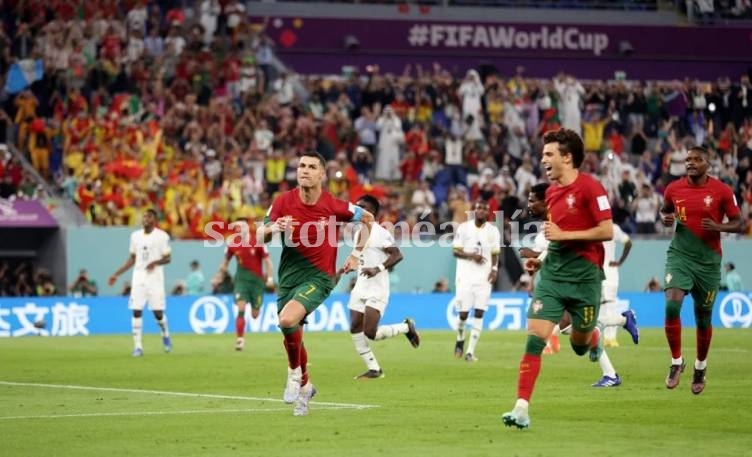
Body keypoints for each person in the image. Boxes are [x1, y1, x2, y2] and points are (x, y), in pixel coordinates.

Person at [503, 128, 613, 430]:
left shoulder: (592, 188)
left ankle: (593, 337)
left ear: (567, 157)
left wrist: (566, 235)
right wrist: (541, 259)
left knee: (579, 344)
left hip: (586, 278)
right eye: (543, 155)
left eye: (549, 154)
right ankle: (521, 407)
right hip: (552, 278)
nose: (543, 160)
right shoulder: (550, 194)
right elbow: (555, 238)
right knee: (535, 340)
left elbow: (607, 230)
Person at [260, 151, 376, 416]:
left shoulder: (333, 205)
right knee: (292, 333)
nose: (304, 170)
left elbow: (368, 219)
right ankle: (306, 386)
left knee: (287, 321)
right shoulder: (282, 202)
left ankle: (293, 374)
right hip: (289, 278)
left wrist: (356, 254)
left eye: (312, 167)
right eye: (301, 165)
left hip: (320, 277)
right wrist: (274, 227)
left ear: (322, 174)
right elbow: (260, 234)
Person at [520, 182, 638, 388]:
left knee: (569, 327)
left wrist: (535, 257)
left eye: (532, 201)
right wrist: (536, 259)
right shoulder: (549, 225)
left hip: (582, 279)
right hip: (566, 281)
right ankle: (618, 329)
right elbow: (553, 251)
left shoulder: (563, 220)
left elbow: (565, 247)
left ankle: (616, 329)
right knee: (571, 328)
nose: (528, 205)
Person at [659, 146, 741, 395]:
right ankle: (676, 362)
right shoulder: (673, 189)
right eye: (688, 160)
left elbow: (738, 222)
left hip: (708, 262)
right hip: (680, 256)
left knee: (703, 317)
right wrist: (665, 218)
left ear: (708, 163)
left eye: (697, 159)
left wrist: (717, 226)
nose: (691, 163)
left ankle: (700, 367)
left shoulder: (722, 191)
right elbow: (665, 210)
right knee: (672, 304)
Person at [340, 194, 420, 380]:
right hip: (361, 285)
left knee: (371, 332)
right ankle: (374, 369)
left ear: (372, 212)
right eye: (357, 206)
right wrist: (347, 268)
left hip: (377, 287)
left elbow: (398, 255)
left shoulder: (380, 232)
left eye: (362, 207)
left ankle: (406, 327)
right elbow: (360, 258)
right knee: (354, 327)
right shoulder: (359, 232)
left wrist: (378, 268)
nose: (357, 209)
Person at [108, 209, 173, 357]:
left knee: (158, 313)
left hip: (155, 278)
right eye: (144, 216)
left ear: (154, 219)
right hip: (138, 277)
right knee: (136, 310)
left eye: (149, 216)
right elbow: (132, 258)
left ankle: (165, 335)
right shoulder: (135, 236)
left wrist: (155, 262)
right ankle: (138, 347)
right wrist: (116, 274)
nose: (145, 219)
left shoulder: (162, 236)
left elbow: (168, 258)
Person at [452, 200, 501, 362]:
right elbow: (455, 252)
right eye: (478, 207)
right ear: (474, 210)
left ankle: (470, 352)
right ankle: (460, 338)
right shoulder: (464, 228)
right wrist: (472, 255)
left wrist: (494, 269)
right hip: (464, 277)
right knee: (463, 315)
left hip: (484, 278)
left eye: (484, 208)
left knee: (480, 312)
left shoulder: (493, 231)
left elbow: (495, 253)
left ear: (488, 212)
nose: (481, 210)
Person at [216, 219, 274, 351]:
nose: (239, 230)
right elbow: (225, 262)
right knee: (241, 308)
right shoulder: (232, 244)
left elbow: (267, 262)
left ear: (247, 228)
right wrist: (219, 276)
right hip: (241, 280)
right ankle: (240, 339)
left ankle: (254, 309)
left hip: (257, 283)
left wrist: (270, 278)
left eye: (241, 227)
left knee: (255, 314)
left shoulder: (258, 242)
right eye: (237, 228)